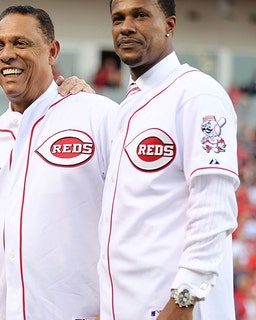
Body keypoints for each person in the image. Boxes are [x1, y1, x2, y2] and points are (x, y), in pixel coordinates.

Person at [0, 5, 117, 319]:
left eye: (21, 43)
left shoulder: (97, 115)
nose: (6, 54)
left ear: (52, 51)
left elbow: (134, 224)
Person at [98, 1, 239, 319]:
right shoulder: (129, 105)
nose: (126, 27)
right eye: (118, 18)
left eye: (141, 15)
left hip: (175, 309)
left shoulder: (197, 93)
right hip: (127, 307)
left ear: (170, 25)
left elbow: (215, 207)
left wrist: (185, 299)